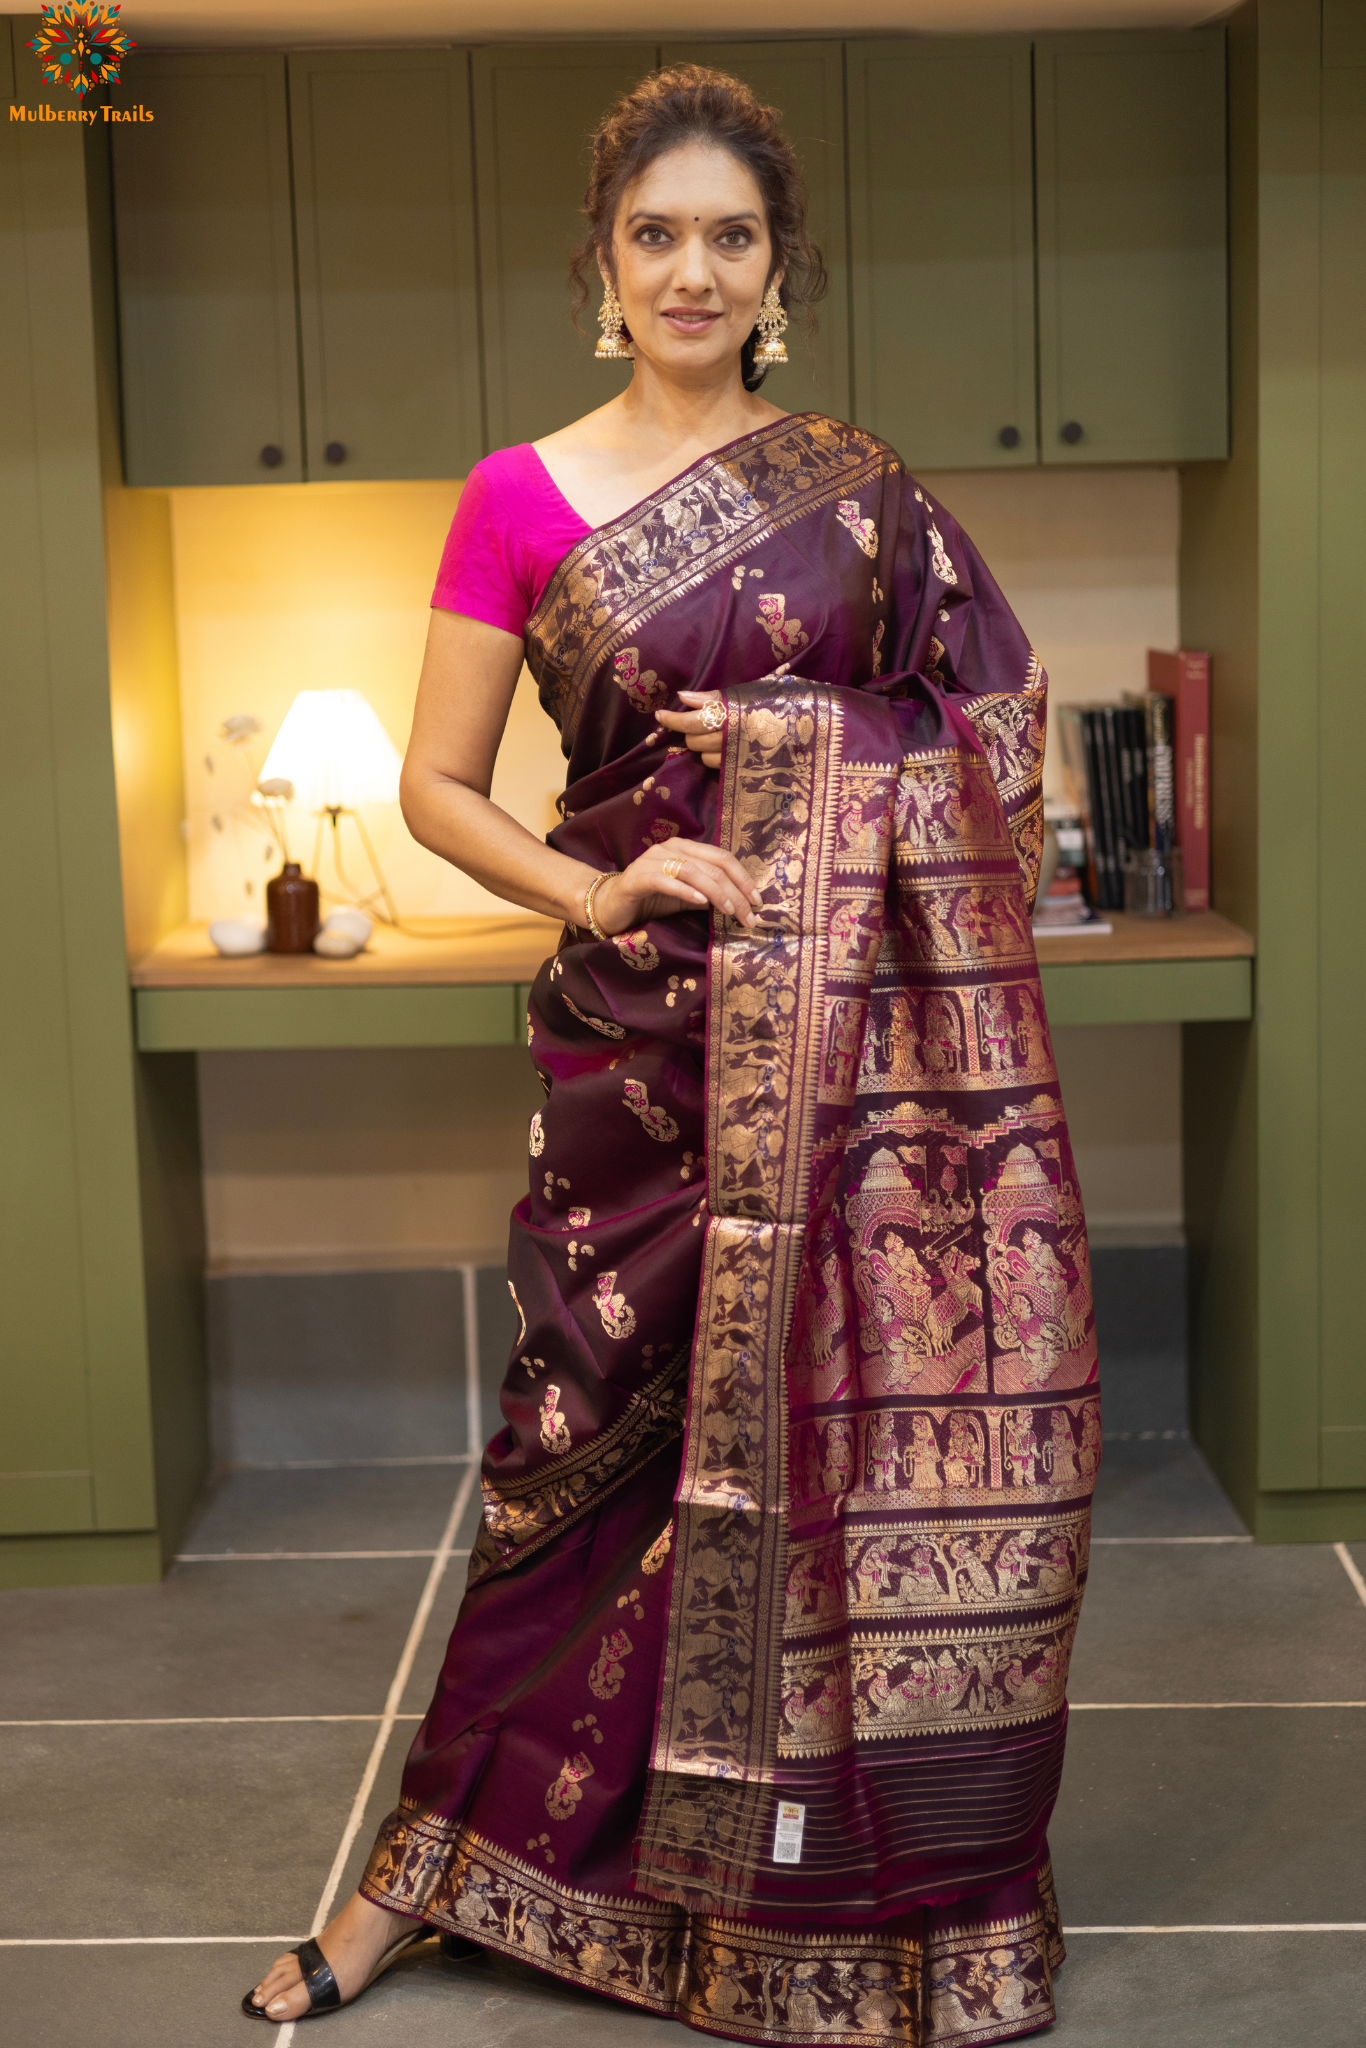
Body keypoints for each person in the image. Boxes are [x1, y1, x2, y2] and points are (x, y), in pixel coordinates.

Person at [245, 63, 1099, 2044]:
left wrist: (820, 781)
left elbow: (987, 725)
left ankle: (822, 1899)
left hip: (847, 1081)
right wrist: (604, 892)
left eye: (729, 235)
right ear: (601, 267)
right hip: (640, 1061)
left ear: (772, 267)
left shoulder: (862, 490)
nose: (692, 269)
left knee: (806, 1460)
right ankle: (419, 1868)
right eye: (657, 236)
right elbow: (438, 788)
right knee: (566, 1470)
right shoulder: (517, 497)